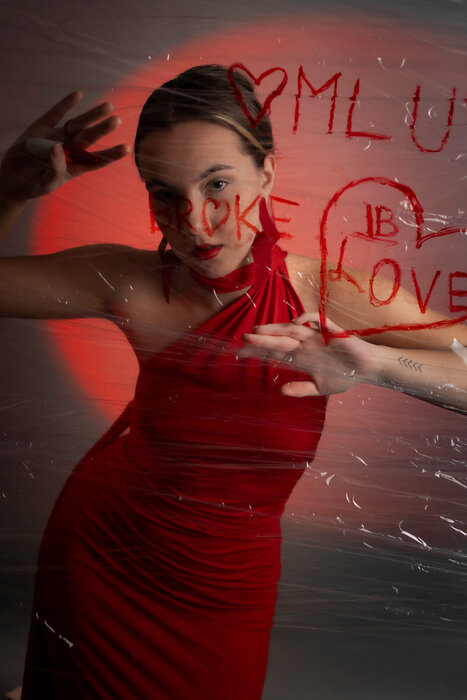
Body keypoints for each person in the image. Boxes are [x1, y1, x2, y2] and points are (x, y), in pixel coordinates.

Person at [0, 65, 465, 700]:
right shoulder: (126, 281)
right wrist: (8, 190)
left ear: (266, 173)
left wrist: (380, 365)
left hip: (228, 586)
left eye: (217, 184)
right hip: (104, 555)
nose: (195, 221)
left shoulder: (325, 292)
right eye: (165, 194)